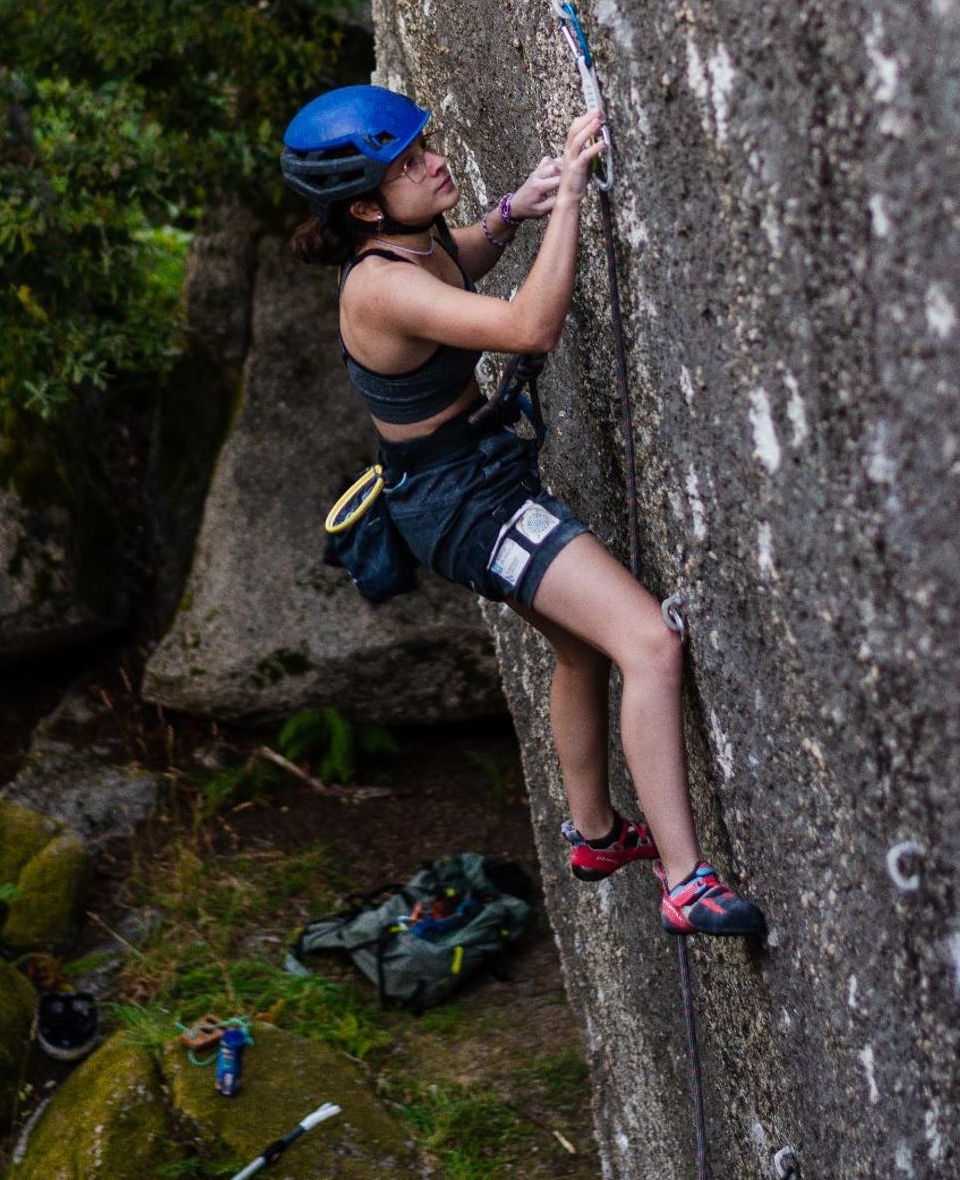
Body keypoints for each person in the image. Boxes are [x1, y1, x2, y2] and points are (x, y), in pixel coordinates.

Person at [281, 85, 765, 937]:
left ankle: (595, 834)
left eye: (425, 144)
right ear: (364, 206)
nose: (435, 161)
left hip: (464, 483)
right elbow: (528, 325)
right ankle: (686, 883)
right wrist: (572, 191)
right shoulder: (376, 290)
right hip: (468, 505)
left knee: (579, 649)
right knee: (649, 641)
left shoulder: (407, 249)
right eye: (410, 163)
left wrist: (515, 210)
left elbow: (457, 262)